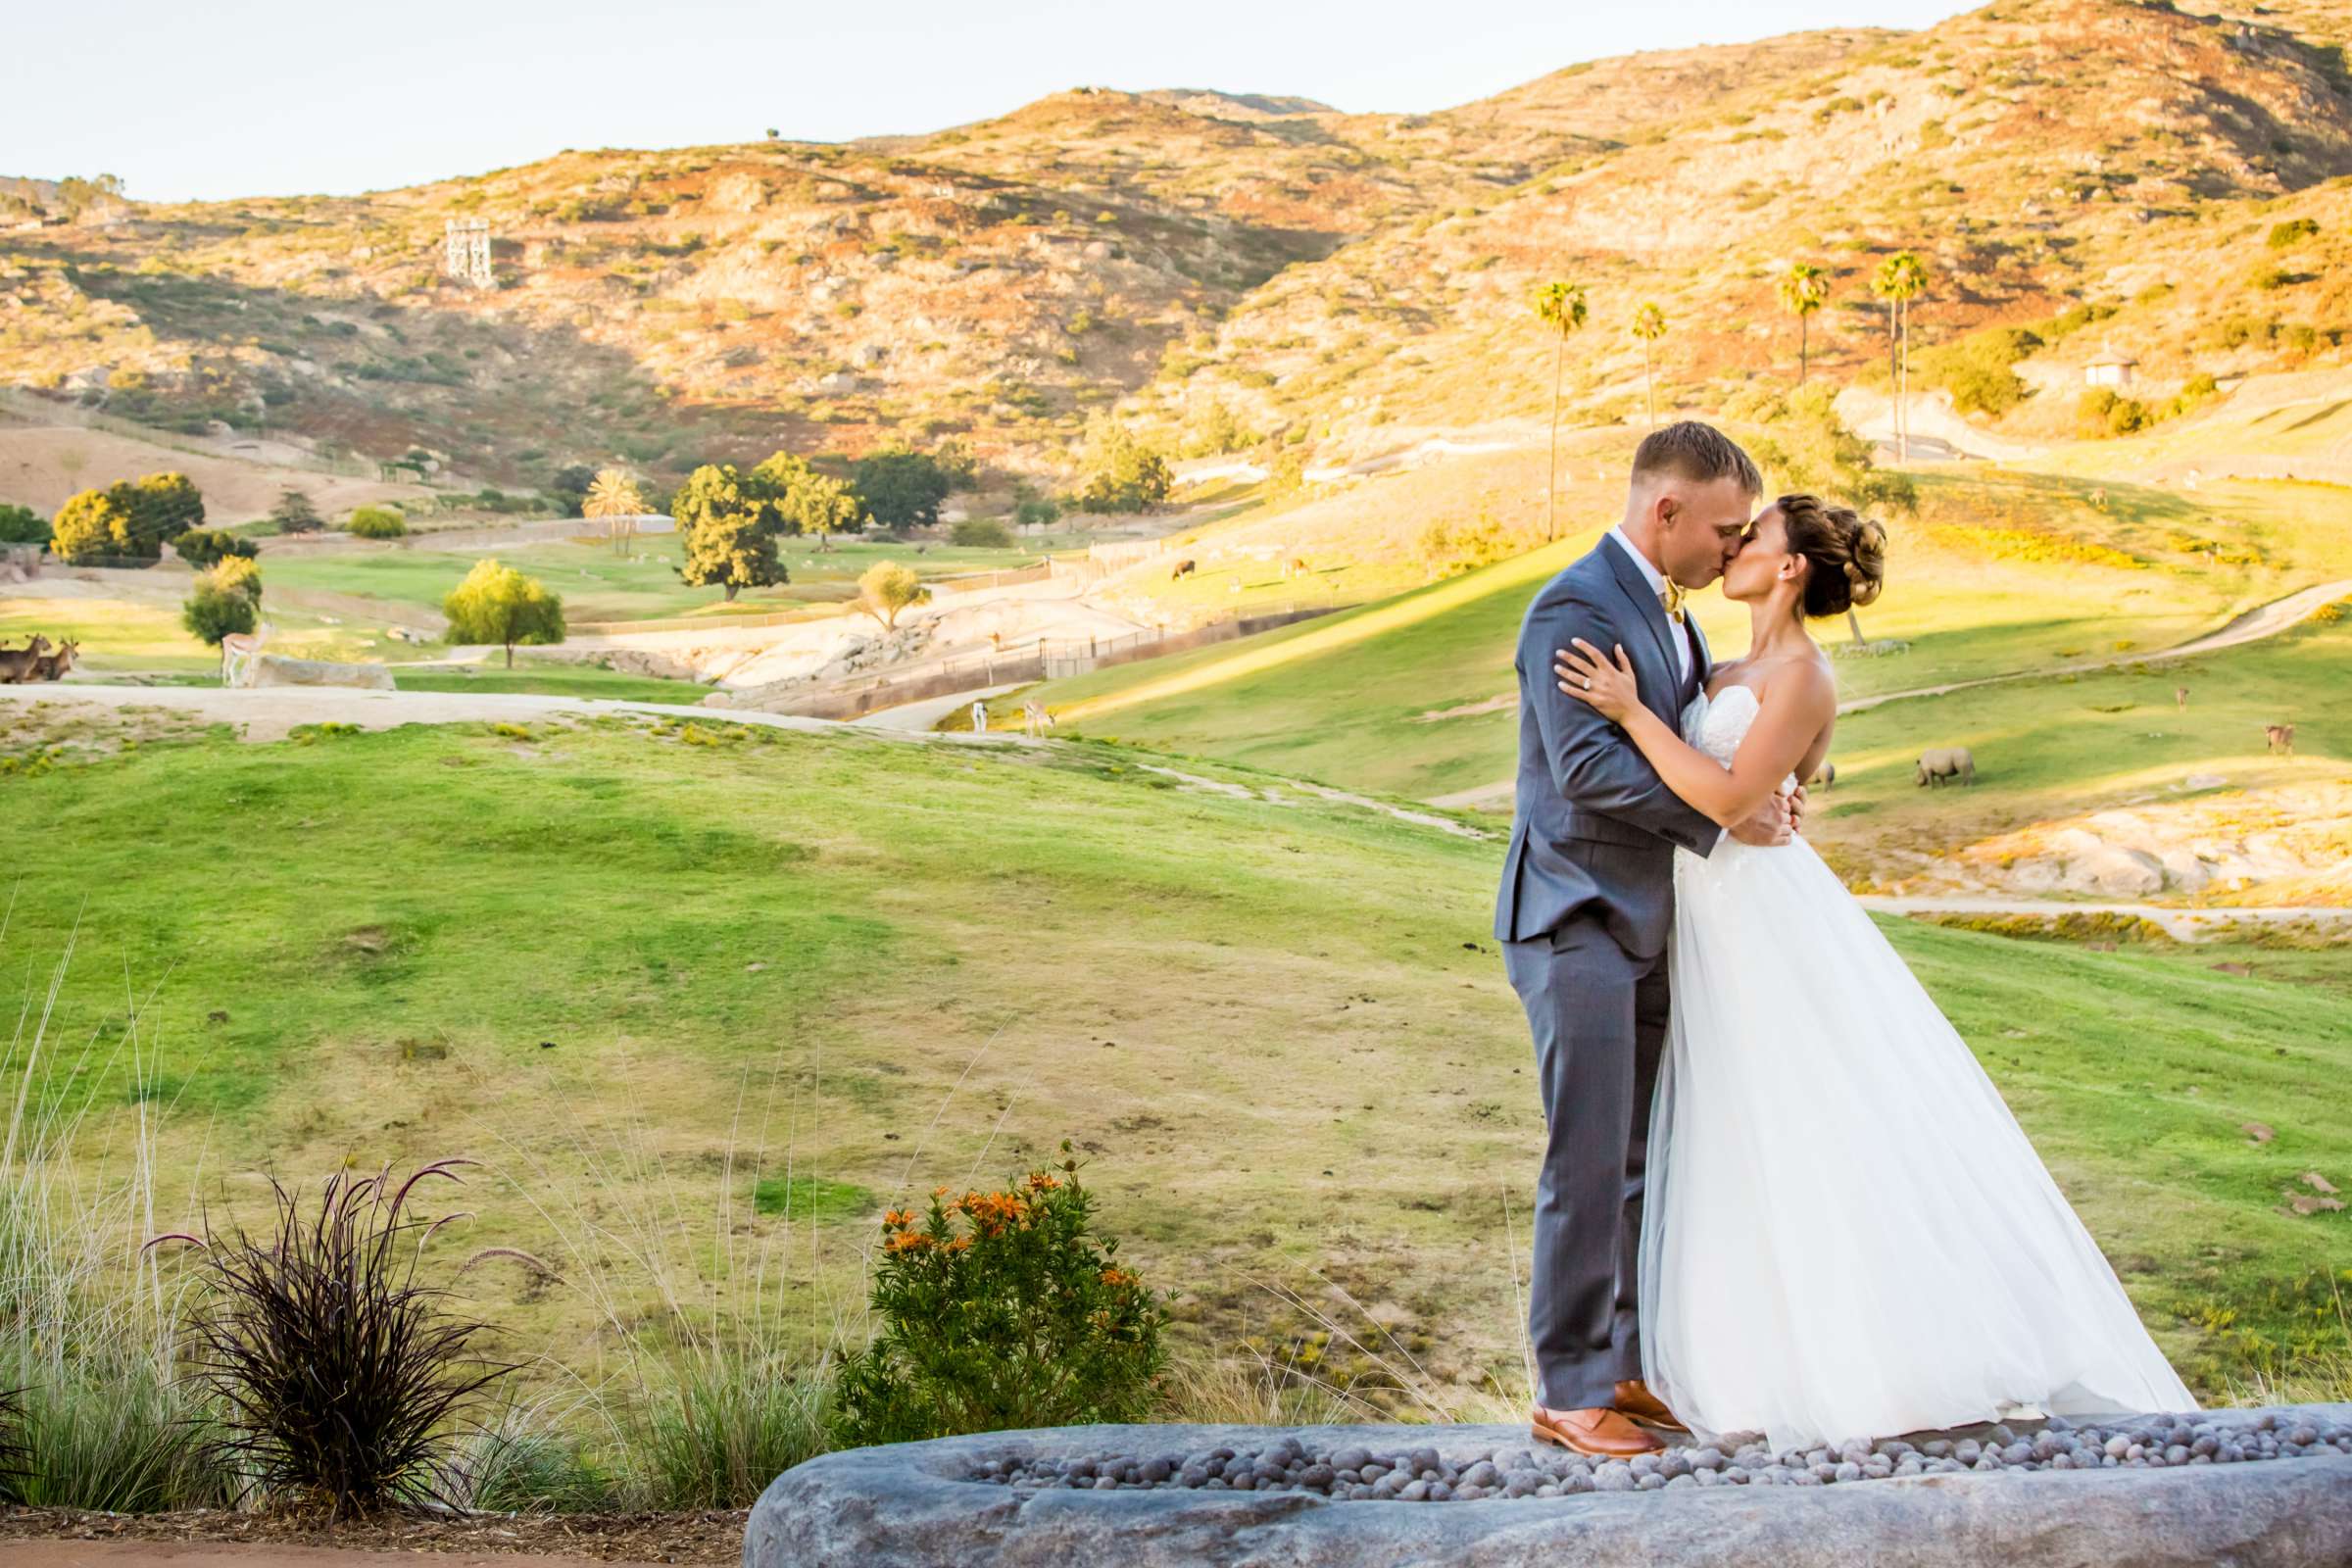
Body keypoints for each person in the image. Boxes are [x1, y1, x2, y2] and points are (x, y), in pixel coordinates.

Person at [1551, 490, 2196, 1452]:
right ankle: (1748, 1369)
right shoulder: (1723, 662)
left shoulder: (1805, 675)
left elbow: (1732, 796)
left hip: (1761, 920)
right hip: (1708, 918)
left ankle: (1874, 1361)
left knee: (1804, 1121)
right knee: (1734, 1130)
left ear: (1792, 567)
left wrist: (1635, 714)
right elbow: (1742, 793)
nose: (1734, 547)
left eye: (1753, 536)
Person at [1494, 421, 1796, 1459]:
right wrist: (1721, 817)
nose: (1730, 546)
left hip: (1650, 922)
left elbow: (1681, 740)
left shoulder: (1671, 615)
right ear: (1664, 511)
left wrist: (1763, 786)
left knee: (1636, 1157)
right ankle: (1567, 1388)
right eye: (1720, 528)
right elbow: (1586, 771)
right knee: (1584, 1157)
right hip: (1574, 914)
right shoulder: (1575, 605)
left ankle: (1624, 1365)